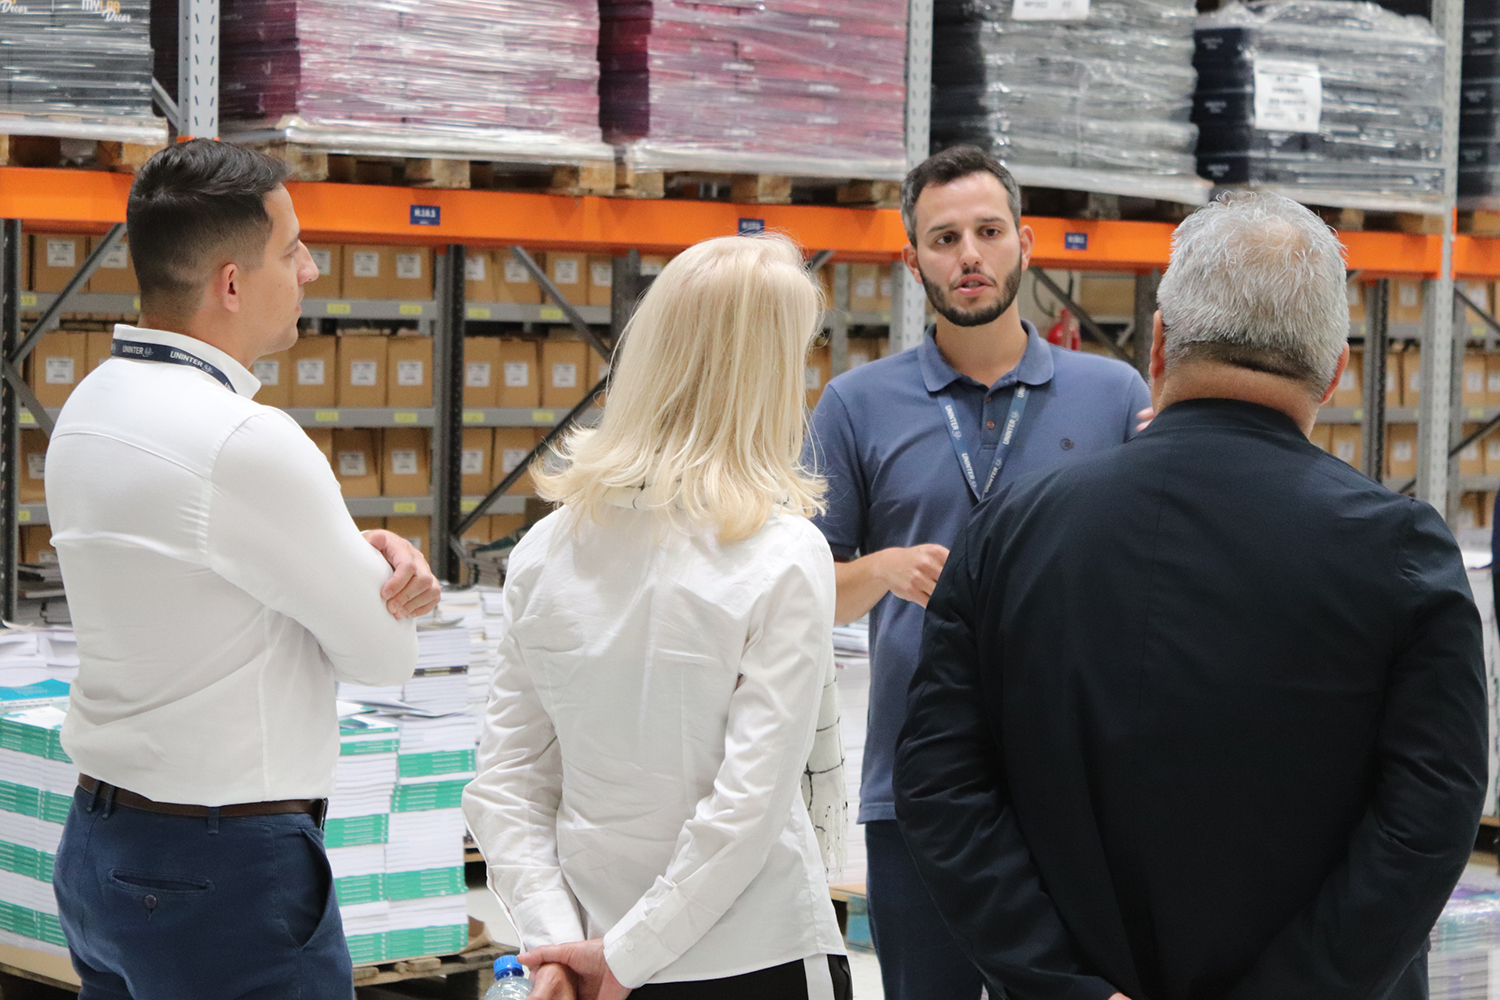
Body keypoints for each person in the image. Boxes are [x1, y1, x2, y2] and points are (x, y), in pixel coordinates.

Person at [893, 191, 1487, 1000]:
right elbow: (1431, 814)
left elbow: (940, 781)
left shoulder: (1011, 531)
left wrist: (1061, 984)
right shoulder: (1401, 551)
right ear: (1335, 371)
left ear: (1160, 343)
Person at [47, 139, 441, 1000]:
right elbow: (385, 655)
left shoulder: (88, 407)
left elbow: (201, 575)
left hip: (102, 851)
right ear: (231, 283)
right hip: (222, 875)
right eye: (290, 250)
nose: (310, 268)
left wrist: (337, 551)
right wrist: (372, 570)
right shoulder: (244, 441)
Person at [804, 143, 1152, 1000]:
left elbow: (1157, 575)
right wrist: (882, 568)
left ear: (1025, 243)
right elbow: (805, 595)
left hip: (1077, 786)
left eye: (989, 232)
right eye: (945, 238)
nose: (969, 255)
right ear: (912, 260)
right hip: (917, 791)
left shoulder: (1112, 395)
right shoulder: (855, 404)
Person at [462, 234, 849, 1000]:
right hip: (749, 958)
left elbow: (508, 781)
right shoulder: (780, 553)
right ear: (762, 377)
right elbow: (747, 811)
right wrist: (624, 954)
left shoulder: (548, 548)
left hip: (586, 957)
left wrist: (558, 944)